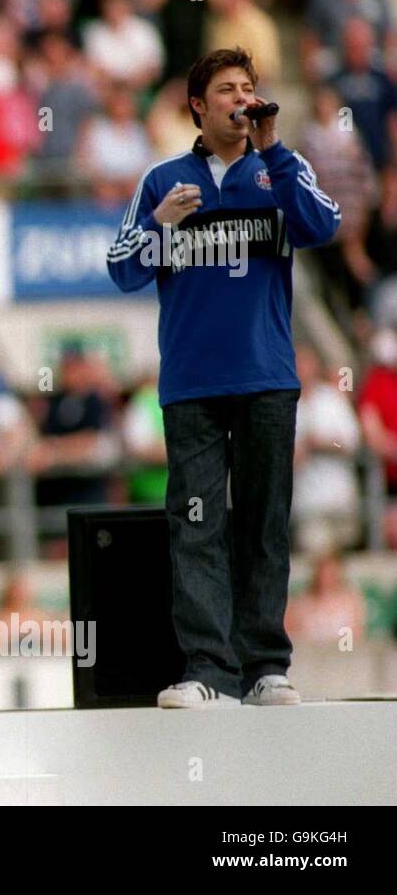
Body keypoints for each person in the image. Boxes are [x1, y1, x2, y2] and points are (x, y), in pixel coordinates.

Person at [106, 48, 341, 709]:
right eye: (227, 90)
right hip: (192, 384)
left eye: (249, 88)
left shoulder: (283, 167)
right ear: (198, 107)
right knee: (197, 524)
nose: (242, 99)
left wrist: (277, 154)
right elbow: (121, 267)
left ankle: (267, 665)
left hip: (267, 375)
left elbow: (324, 226)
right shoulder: (161, 179)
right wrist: (160, 226)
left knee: (263, 525)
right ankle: (207, 669)